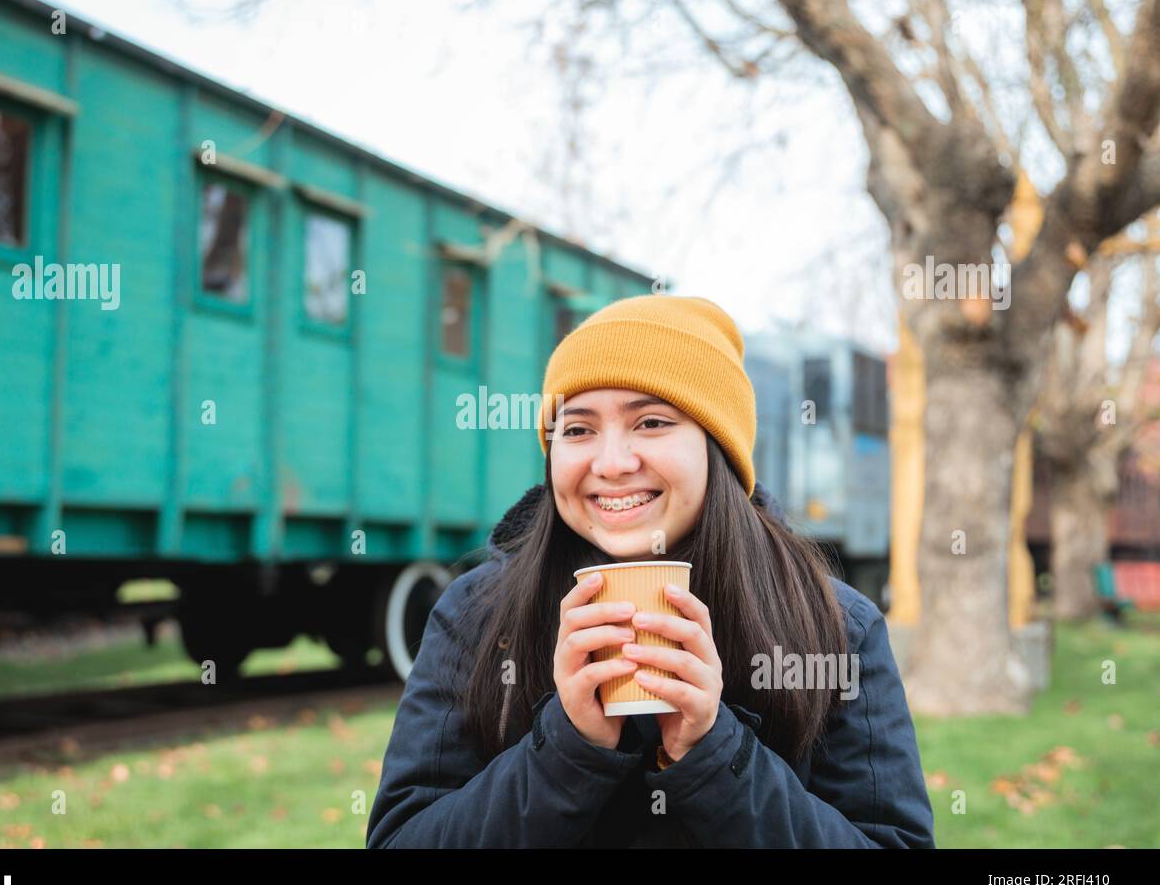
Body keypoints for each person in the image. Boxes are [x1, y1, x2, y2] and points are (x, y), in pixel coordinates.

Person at [366, 294, 935, 848]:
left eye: (652, 422)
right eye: (578, 429)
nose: (612, 464)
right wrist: (568, 748)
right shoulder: (479, 613)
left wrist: (715, 753)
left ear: (720, 450)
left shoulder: (835, 625)